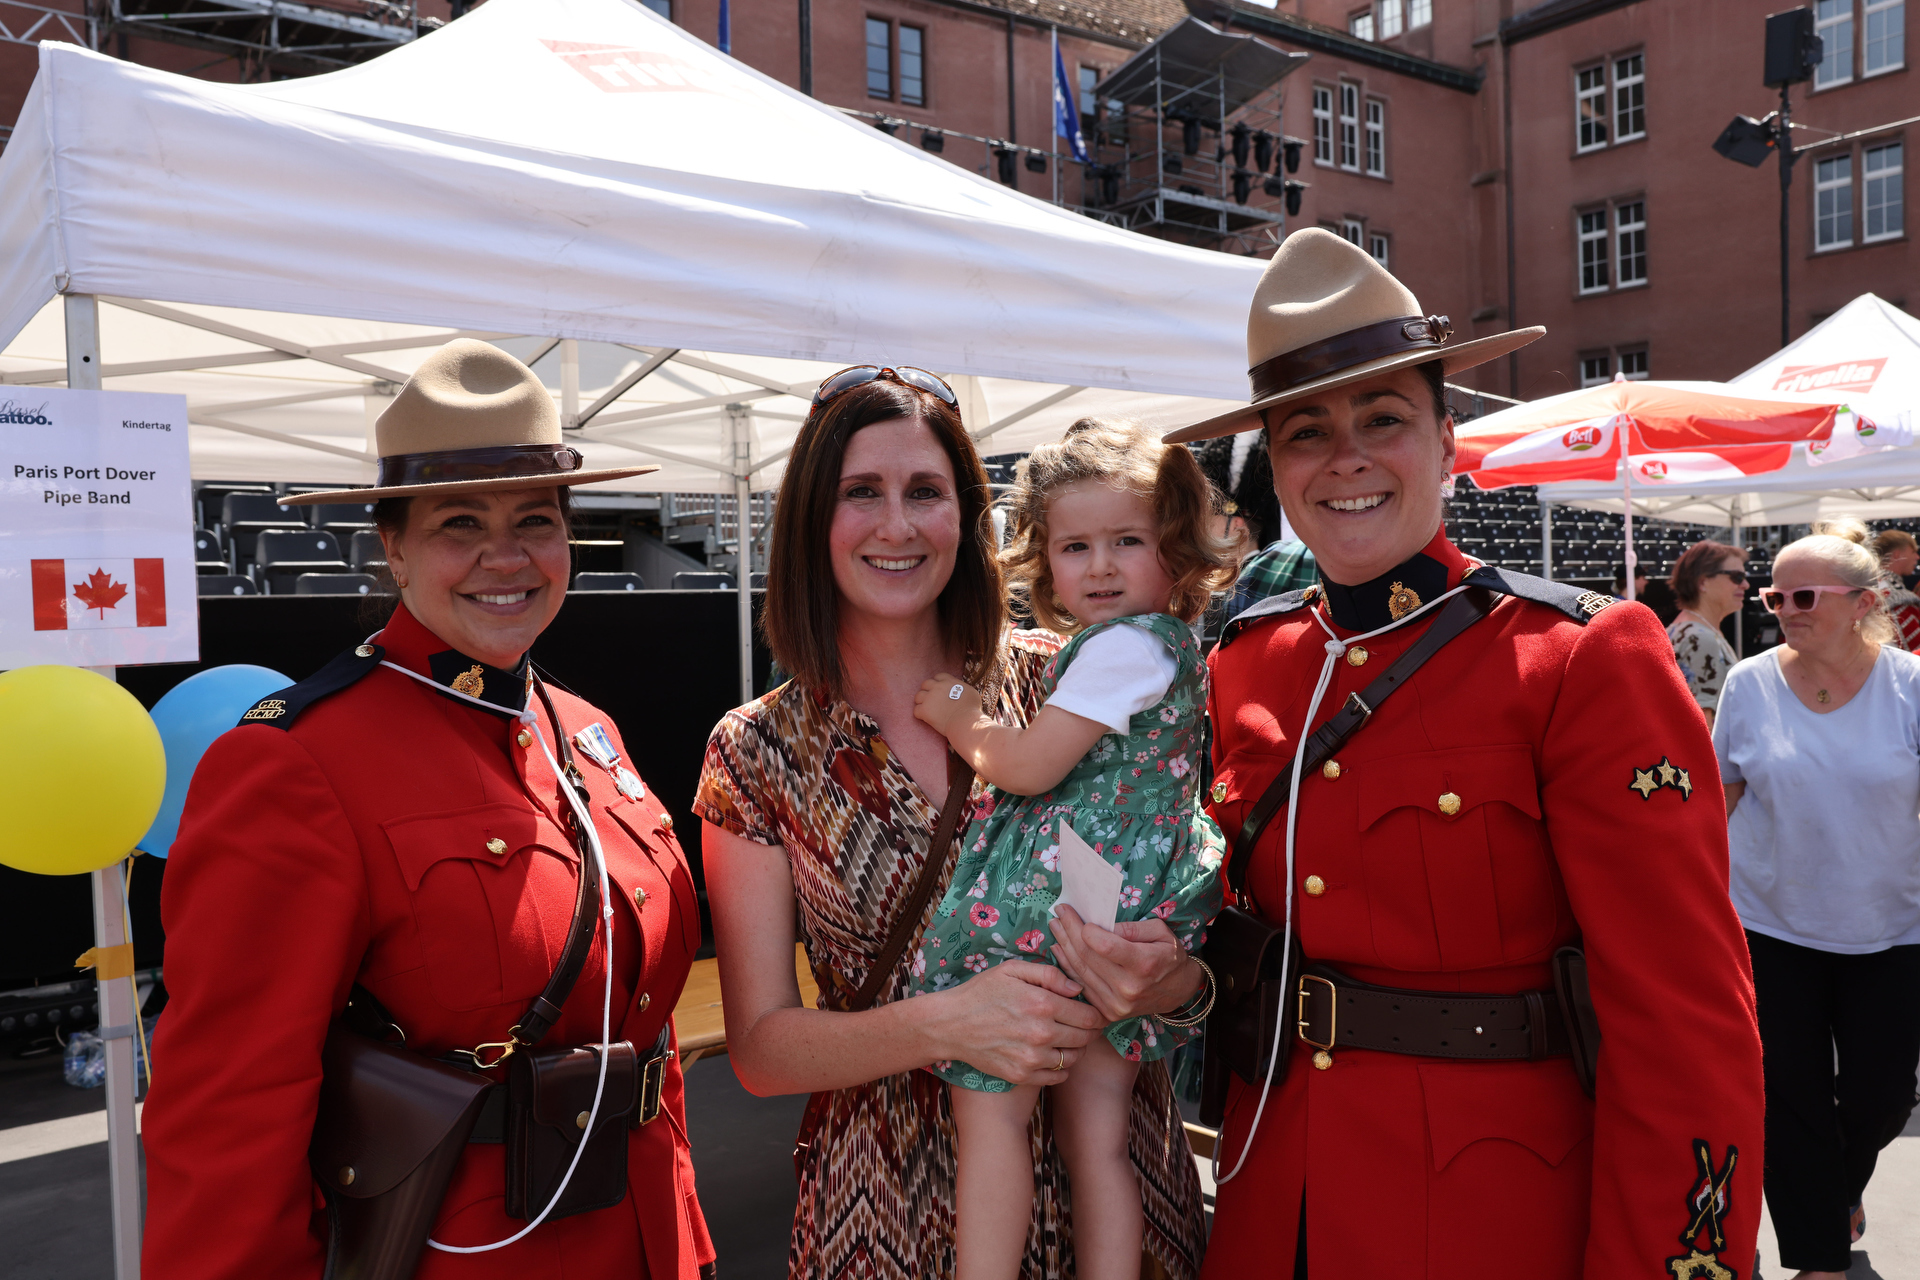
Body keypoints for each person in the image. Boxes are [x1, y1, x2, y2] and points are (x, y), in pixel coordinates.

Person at [1163, 227, 1766, 1278]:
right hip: (1274, 1193)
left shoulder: (1579, 656)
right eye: (1307, 432)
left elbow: (1684, 1025)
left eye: (1384, 418)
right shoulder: (1246, 662)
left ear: (1449, 443)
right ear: (1277, 468)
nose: (1344, 456)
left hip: (1496, 1212)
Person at [142, 340, 717, 1277]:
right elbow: (226, 1116)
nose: (507, 555)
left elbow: (641, 1028)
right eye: (460, 522)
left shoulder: (587, 730)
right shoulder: (295, 764)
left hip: (651, 1235)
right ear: (394, 548)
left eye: (536, 519)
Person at [694, 368, 1208, 1280]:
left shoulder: (1078, 675)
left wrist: (1171, 982)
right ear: (814, 518)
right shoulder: (756, 749)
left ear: (968, 518)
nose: (897, 525)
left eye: (925, 492)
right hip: (892, 1220)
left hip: (1121, 1205)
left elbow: (1191, 883)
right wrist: (951, 1023)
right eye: (862, 493)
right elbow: (763, 1053)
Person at [907, 418, 1229, 1280]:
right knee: (1100, 1144)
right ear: (1046, 560)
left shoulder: (1120, 649)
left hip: (1060, 907)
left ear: (1175, 552)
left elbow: (1026, 765)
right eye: (1076, 545)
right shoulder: (1170, 645)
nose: (1101, 567)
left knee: (993, 1120)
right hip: (1129, 916)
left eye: (1128, 541)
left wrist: (957, 715)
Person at [1714, 518, 1920, 1280]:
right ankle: (1820, 1259)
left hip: (1892, 929)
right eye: (1774, 594)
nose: (1782, 607)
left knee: (1881, 1097)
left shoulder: (1911, 686)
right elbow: (1719, 800)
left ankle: (1837, 1194)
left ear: (1862, 601)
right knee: (1788, 1098)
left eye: (1802, 594)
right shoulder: (1749, 682)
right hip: (1768, 925)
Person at [1667, 540, 1746, 727]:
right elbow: (1704, 726)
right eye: (1737, 577)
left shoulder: (1692, 628)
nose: (1745, 584)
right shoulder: (1700, 638)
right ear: (1703, 582)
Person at [1868, 527, 1920, 651]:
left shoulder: (1868, 584)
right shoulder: (1898, 596)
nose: (1917, 557)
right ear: (1897, 554)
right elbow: (1913, 650)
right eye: (1913, 551)